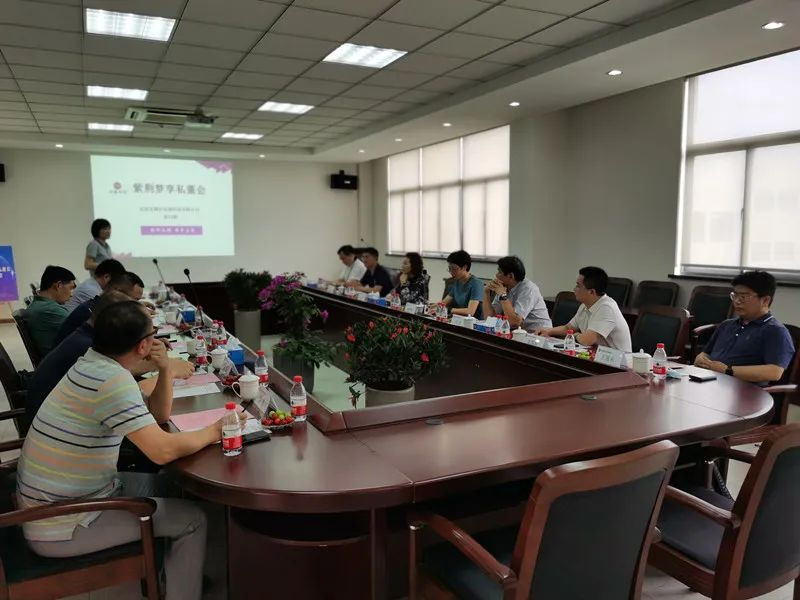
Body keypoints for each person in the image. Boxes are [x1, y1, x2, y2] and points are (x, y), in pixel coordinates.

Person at [17, 301, 243, 600]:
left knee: (175, 488)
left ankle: (173, 575)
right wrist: (216, 430)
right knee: (193, 519)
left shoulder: (93, 364)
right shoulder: (112, 381)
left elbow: (158, 415)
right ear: (143, 345)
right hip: (62, 522)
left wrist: (165, 369)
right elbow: (161, 451)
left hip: (68, 499)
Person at [26, 290, 194, 423]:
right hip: (61, 435)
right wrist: (168, 370)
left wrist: (157, 361)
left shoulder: (90, 345)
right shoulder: (91, 353)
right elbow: (163, 447)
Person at [694, 270, 795, 385]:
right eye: (735, 295)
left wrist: (728, 370)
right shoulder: (726, 325)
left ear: (765, 300)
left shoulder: (775, 331)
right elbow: (706, 353)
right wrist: (701, 358)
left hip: (745, 391)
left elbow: (774, 372)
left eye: (743, 297)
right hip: (711, 382)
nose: (737, 301)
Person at [536, 266, 631, 352]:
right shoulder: (585, 305)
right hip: (597, 356)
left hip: (617, 362)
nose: (574, 289)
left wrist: (574, 335)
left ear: (591, 292)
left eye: (578, 286)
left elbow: (587, 340)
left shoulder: (607, 308)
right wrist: (548, 331)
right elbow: (568, 328)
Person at [55, 271, 146, 346]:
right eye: (135, 300)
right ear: (117, 292)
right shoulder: (92, 313)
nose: (136, 305)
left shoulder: (98, 306)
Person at [482, 256, 551, 331]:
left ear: (510, 276)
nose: (496, 275)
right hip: (518, 332)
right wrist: (486, 293)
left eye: (500, 272)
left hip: (540, 334)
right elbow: (490, 319)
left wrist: (503, 295)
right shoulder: (503, 287)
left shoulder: (529, 289)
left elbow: (514, 322)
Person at [25, 265, 76, 356]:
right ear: (58, 285)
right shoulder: (50, 310)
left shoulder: (38, 305)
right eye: (71, 288)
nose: (72, 294)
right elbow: (83, 329)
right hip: (63, 360)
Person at [440, 250, 484, 319]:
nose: (451, 272)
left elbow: (470, 311)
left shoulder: (476, 284)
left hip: (473, 322)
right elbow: (443, 303)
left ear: (464, 267)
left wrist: (449, 310)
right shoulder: (457, 281)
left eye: (454, 269)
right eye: (449, 268)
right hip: (459, 320)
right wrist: (430, 307)